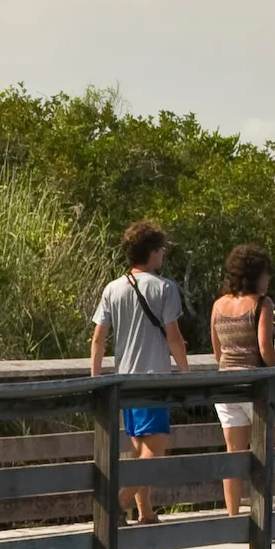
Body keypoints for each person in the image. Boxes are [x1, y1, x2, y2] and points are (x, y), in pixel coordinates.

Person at [88, 220, 190, 522]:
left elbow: (98, 339)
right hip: (153, 380)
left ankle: (145, 511)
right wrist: (185, 372)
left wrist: (96, 378)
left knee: (140, 449)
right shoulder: (165, 288)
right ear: (152, 252)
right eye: (161, 250)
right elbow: (174, 336)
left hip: (124, 382)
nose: (163, 255)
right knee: (154, 450)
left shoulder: (113, 288)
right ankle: (116, 505)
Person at [207, 242, 275, 515]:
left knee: (233, 453)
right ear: (255, 275)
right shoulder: (262, 304)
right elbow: (264, 347)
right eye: (265, 274)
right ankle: (264, 514)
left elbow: (217, 351)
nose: (268, 279)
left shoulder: (218, 306)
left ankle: (233, 515)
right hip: (254, 386)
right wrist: (274, 372)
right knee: (266, 451)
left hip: (225, 386)